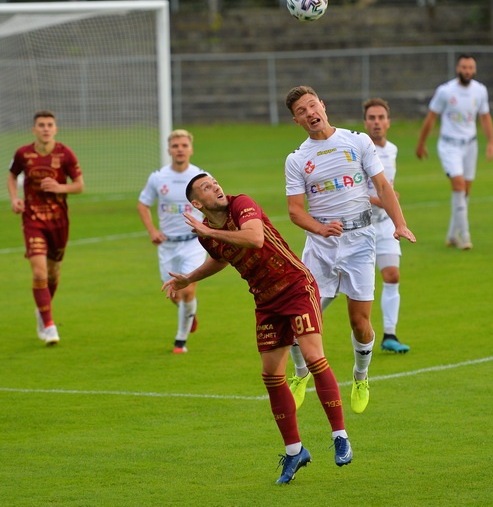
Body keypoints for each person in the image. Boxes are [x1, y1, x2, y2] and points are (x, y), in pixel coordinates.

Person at [162, 173, 352, 484]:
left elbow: (254, 238)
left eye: (215, 182)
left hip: (294, 286)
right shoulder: (207, 235)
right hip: (265, 301)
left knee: (313, 356)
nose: (217, 187)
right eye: (207, 188)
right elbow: (220, 259)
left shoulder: (242, 204)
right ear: (197, 203)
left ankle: (340, 435)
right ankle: (295, 451)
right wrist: (189, 278)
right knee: (271, 376)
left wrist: (209, 230)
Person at [284, 85, 415, 415]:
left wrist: (399, 224)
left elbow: (383, 187)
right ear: (296, 120)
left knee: (359, 322)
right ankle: (300, 374)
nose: (310, 113)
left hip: (360, 242)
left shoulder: (356, 141)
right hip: (321, 246)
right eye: (302, 111)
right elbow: (295, 211)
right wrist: (320, 228)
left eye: (312, 105)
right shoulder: (297, 159)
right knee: (299, 318)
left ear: (323, 106)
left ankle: (360, 376)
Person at [7, 110, 84, 345]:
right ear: (34, 129)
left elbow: (80, 186)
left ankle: (42, 311)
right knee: (39, 272)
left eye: (50, 124)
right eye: (41, 125)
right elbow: (12, 176)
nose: (45, 128)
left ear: (56, 129)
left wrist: (60, 188)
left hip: (59, 221)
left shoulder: (65, 154)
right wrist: (14, 198)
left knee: (53, 272)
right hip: (33, 219)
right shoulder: (23, 154)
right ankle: (49, 325)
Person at [416, 54, 493, 250]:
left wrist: (491, 142)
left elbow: (485, 117)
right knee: (459, 185)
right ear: (457, 69)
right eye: (463, 67)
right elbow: (431, 117)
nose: (467, 71)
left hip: (471, 145)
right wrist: (421, 143)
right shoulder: (445, 91)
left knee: (465, 191)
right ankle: (465, 236)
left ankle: (452, 235)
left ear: (474, 70)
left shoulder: (480, 90)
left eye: (470, 68)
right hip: (449, 145)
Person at [137, 130, 206, 354]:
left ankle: (180, 341)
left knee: (187, 289)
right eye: (175, 145)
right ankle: (189, 313)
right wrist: (152, 231)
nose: (179, 149)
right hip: (167, 245)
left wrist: (209, 229)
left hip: (194, 242)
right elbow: (142, 204)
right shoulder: (158, 177)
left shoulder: (201, 177)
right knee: (174, 294)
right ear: (169, 150)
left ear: (191, 149)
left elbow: (216, 204)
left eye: (184, 145)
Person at [362, 97, 410, 354]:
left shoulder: (392, 150)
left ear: (388, 122)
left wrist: (390, 199)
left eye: (381, 117)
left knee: (392, 275)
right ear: (365, 122)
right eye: (372, 118)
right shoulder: (359, 149)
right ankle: (303, 331)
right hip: (360, 227)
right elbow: (354, 189)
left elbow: (385, 186)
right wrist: (379, 199)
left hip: (385, 225)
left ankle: (389, 335)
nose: (377, 122)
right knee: (337, 288)